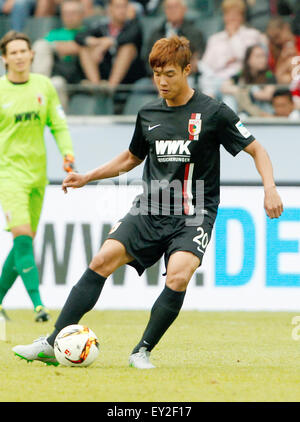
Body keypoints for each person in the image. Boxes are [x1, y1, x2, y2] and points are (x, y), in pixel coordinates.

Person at [12, 35, 283, 368]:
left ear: (187, 70)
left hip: (193, 214)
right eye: (157, 73)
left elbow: (257, 149)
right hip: (149, 209)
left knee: (179, 276)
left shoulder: (213, 112)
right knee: (102, 259)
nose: (162, 81)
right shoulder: (148, 112)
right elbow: (130, 158)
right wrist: (86, 177)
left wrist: (269, 187)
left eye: (169, 73)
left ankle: (141, 350)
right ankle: (51, 342)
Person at [0, 31, 75, 322]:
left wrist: (67, 154)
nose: (19, 56)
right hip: (8, 176)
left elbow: (58, 124)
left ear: (32, 54)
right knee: (22, 237)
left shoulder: (44, 86)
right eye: (13, 52)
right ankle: (38, 305)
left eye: (23, 51)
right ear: (5, 58)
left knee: (25, 241)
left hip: (37, 176)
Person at [74, 0, 146, 89]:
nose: (122, 10)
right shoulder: (102, 26)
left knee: (127, 48)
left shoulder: (133, 24)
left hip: (129, 75)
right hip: (105, 70)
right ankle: (96, 87)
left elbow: (130, 37)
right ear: (110, 9)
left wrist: (109, 43)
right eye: (118, 7)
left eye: (125, 6)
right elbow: (79, 37)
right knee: (84, 49)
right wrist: (96, 42)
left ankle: (110, 88)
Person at [201, 0, 266, 97]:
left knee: (229, 96)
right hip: (216, 81)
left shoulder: (252, 34)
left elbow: (247, 58)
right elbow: (206, 65)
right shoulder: (214, 39)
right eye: (228, 14)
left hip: (240, 80)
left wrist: (233, 36)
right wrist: (226, 61)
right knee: (206, 86)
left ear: (242, 16)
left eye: (235, 14)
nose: (231, 18)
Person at [32, 0, 86, 110]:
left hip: (76, 76)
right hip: (54, 75)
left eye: (73, 13)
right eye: (66, 13)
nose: (69, 17)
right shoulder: (54, 33)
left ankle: (37, 86)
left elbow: (84, 48)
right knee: (55, 83)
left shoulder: (87, 32)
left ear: (81, 15)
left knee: (42, 45)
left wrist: (57, 47)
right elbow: (38, 51)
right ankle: (38, 85)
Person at [146, 0, 205, 69]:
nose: (172, 10)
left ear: (184, 9)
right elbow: (147, 58)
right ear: (165, 11)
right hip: (157, 75)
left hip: (185, 76)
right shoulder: (156, 33)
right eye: (169, 7)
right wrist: (155, 75)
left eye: (176, 7)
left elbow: (197, 57)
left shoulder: (194, 33)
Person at [221, 44, 276, 116]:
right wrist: (239, 90)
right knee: (229, 98)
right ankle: (229, 120)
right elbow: (224, 87)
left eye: (264, 56)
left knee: (254, 89)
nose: (263, 60)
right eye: (258, 56)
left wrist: (250, 90)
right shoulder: (242, 74)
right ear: (248, 59)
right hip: (245, 109)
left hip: (262, 109)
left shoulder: (269, 75)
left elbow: (267, 95)